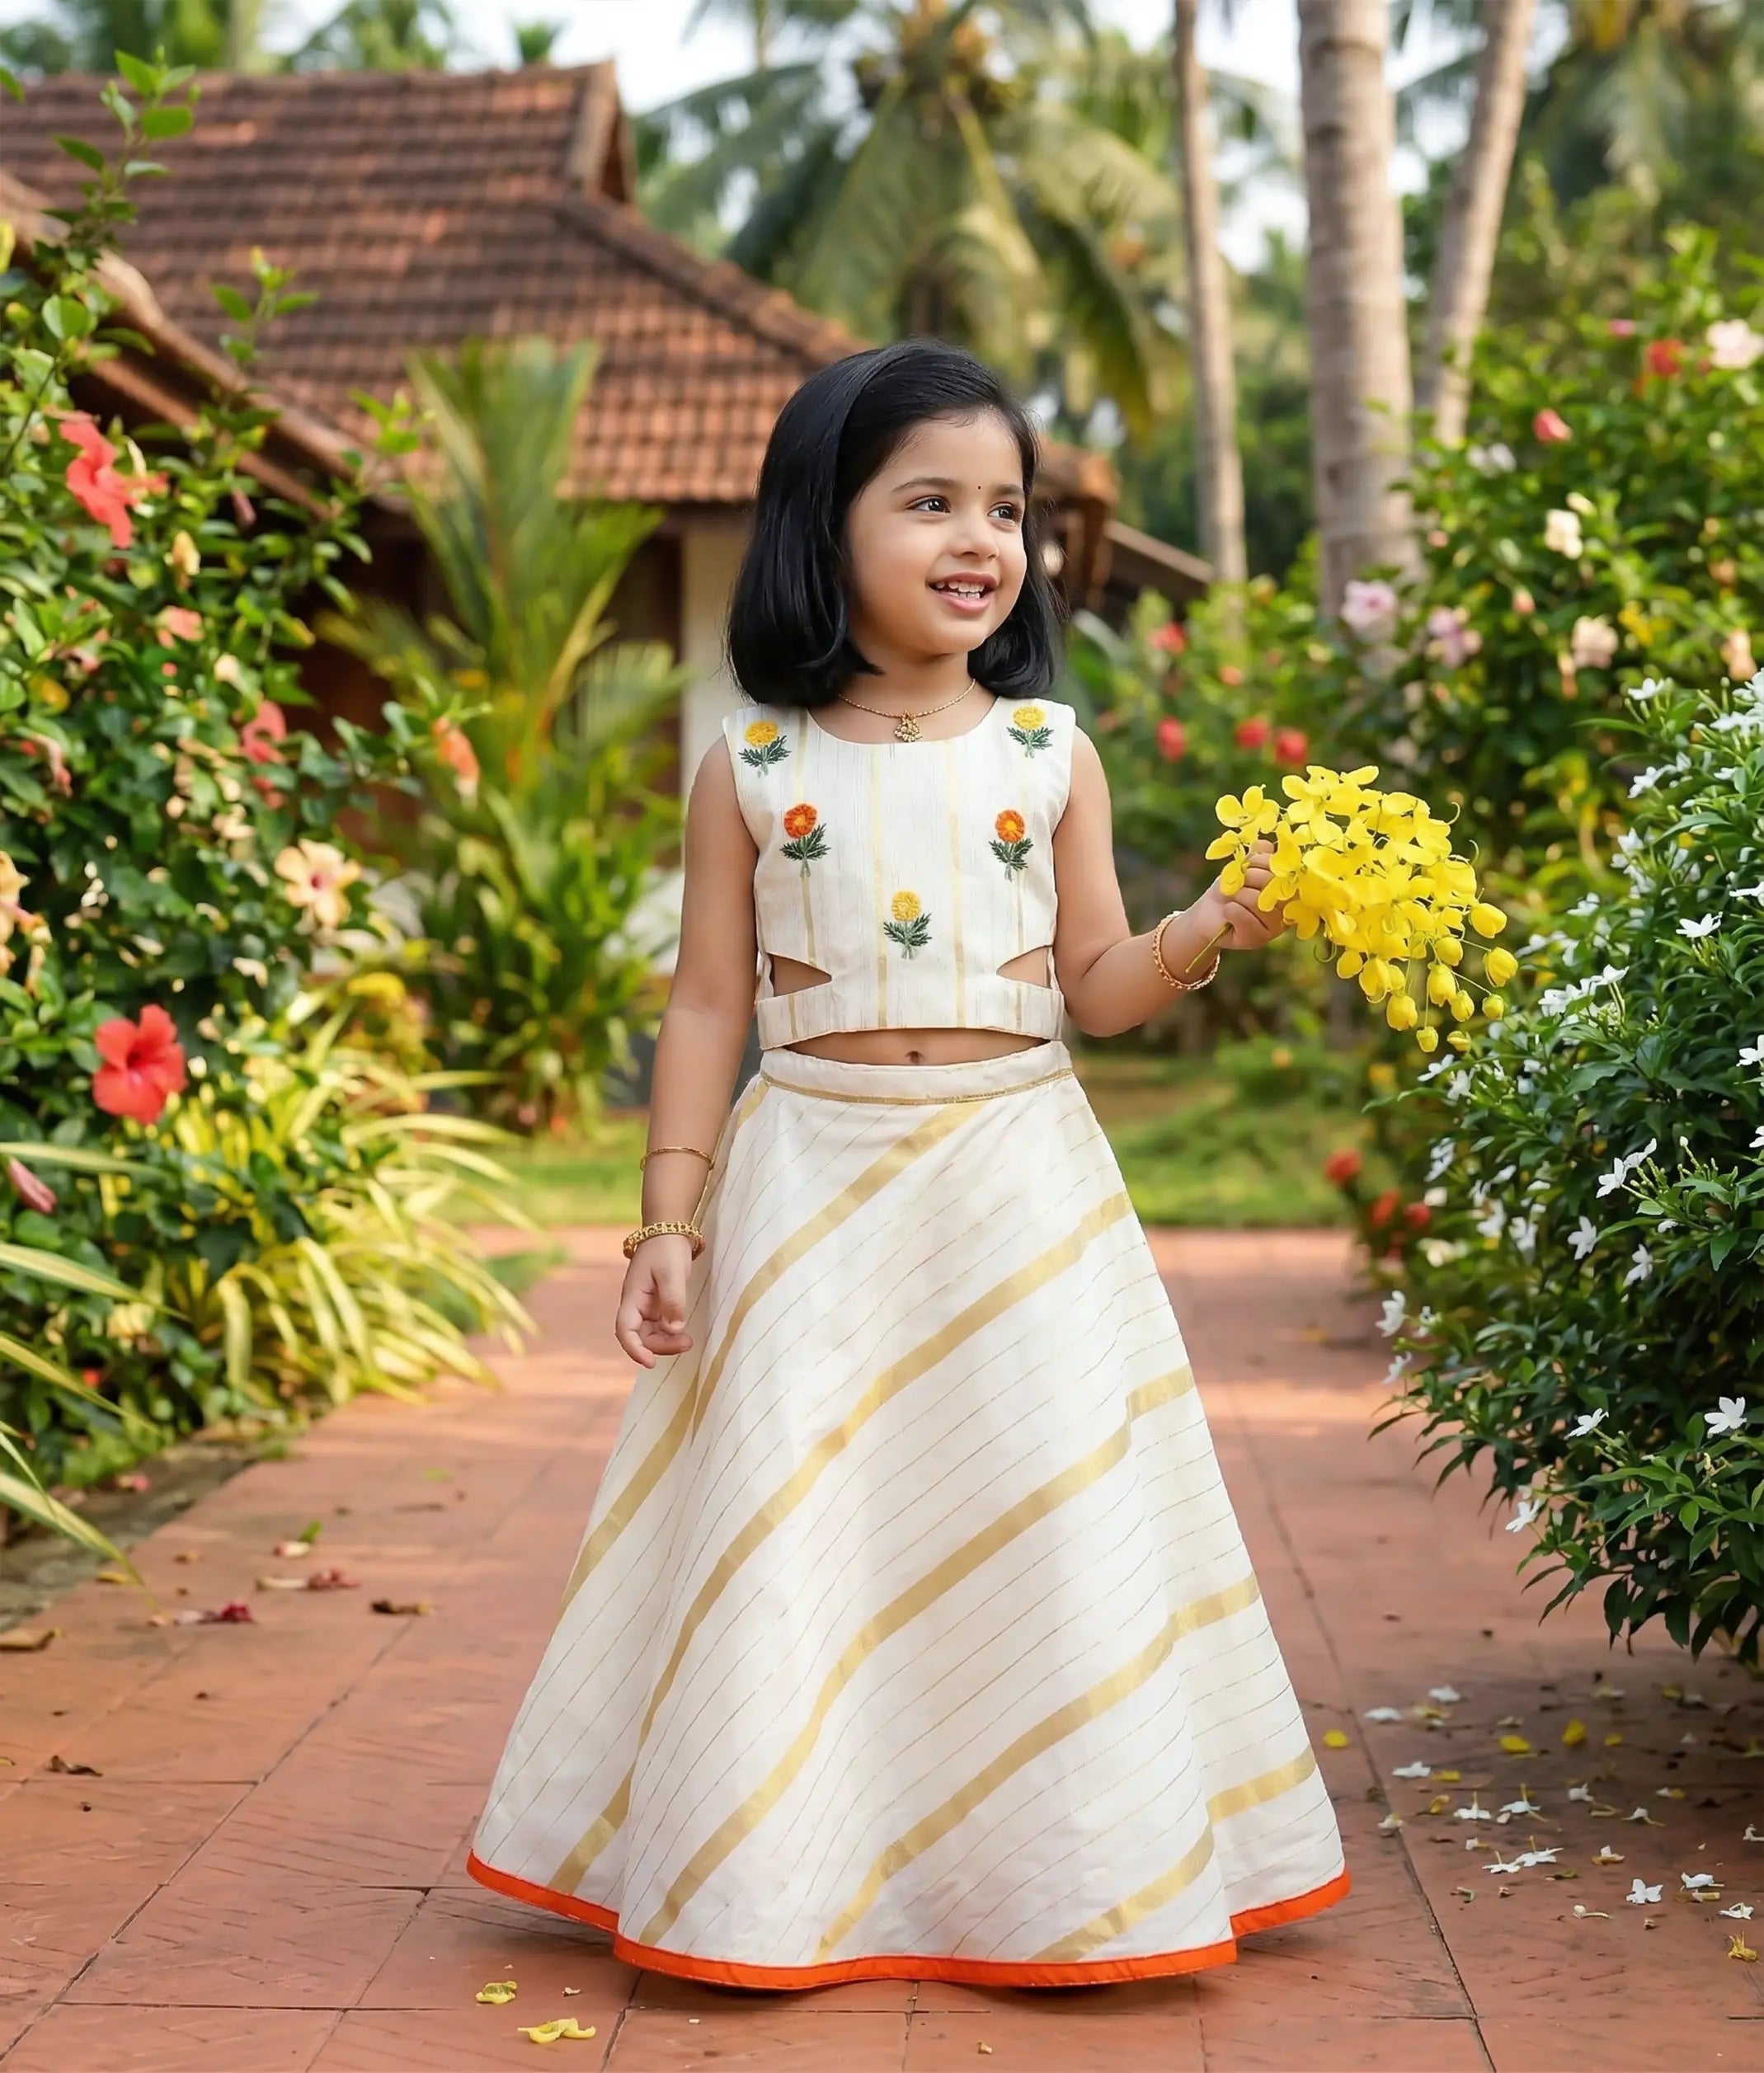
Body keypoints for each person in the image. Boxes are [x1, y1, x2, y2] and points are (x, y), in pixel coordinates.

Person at [467, 340, 1348, 1988]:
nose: (978, 540)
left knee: (1039, 1512)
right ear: (822, 527)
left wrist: (1200, 933)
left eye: (1002, 509)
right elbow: (706, 998)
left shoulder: (1045, 756)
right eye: (927, 500)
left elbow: (1093, 985)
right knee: (804, 1515)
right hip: (807, 1179)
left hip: (1018, 1180)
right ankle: (771, 1870)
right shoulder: (752, 769)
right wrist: (666, 1220)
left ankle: (1070, 1871)